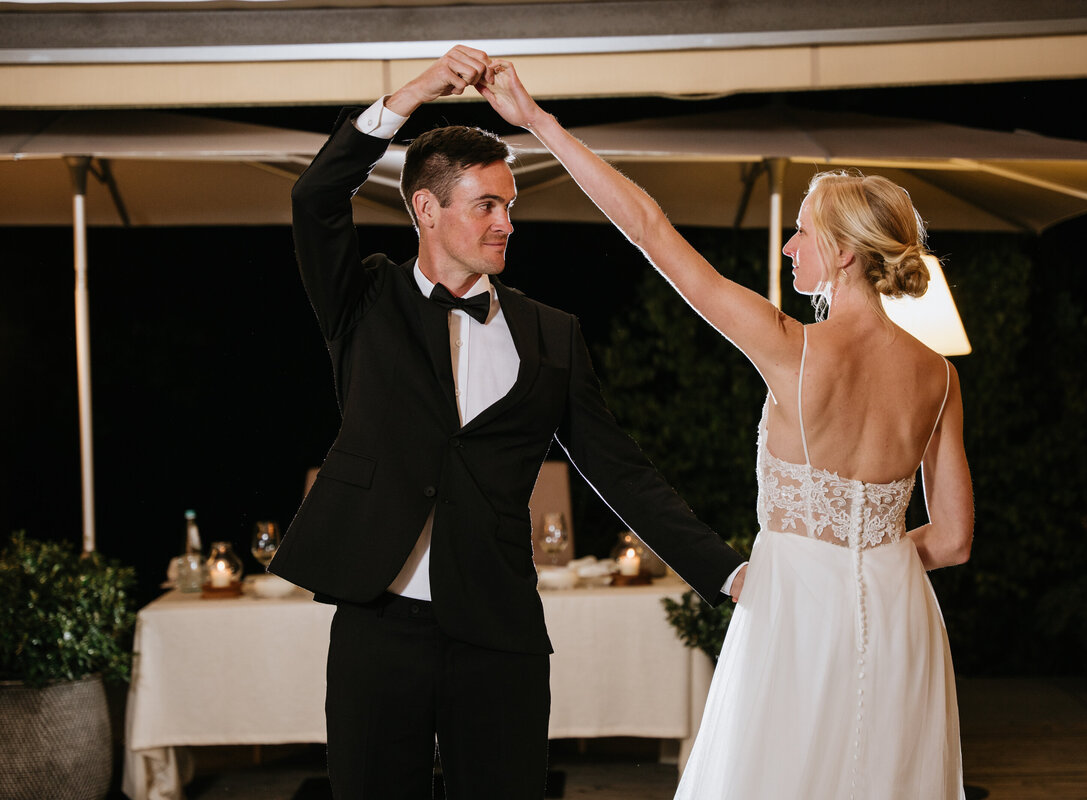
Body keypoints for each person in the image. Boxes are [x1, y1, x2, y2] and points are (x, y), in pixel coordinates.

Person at [480, 60, 974, 798]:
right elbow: (953, 540)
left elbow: (648, 227)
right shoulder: (939, 375)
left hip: (797, 615)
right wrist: (869, 562)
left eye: (802, 234)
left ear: (842, 252)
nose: (789, 248)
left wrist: (541, 124)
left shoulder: (790, 346)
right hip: (903, 620)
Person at [267, 45, 746, 800]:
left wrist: (727, 572)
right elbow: (315, 199)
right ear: (426, 209)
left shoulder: (551, 333)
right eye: (486, 205)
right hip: (376, 624)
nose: (506, 223)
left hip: (498, 628)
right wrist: (416, 93)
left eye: (511, 205)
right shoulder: (364, 301)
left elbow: (621, 471)